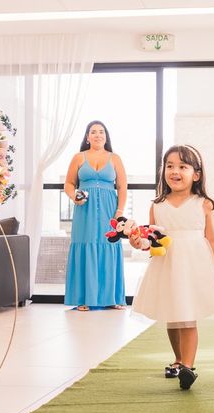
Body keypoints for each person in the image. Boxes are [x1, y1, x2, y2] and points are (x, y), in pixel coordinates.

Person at [130, 145, 214, 390]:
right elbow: (151, 241)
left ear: (196, 174)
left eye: (183, 166)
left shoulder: (203, 204)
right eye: (169, 166)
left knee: (187, 315)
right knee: (172, 316)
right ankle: (179, 359)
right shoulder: (157, 205)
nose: (175, 171)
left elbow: (212, 239)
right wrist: (138, 241)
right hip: (167, 264)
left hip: (194, 265)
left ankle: (188, 368)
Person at [64, 120, 128, 311]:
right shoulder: (78, 157)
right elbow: (68, 183)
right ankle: (84, 298)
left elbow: (122, 187)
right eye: (93, 132)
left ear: (106, 136)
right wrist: (74, 196)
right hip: (85, 210)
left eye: (101, 132)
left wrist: (119, 212)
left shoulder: (115, 158)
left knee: (110, 246)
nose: (98, 135)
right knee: (85, 245)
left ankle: (113, 299)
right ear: (87, 137)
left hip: (110, 209)